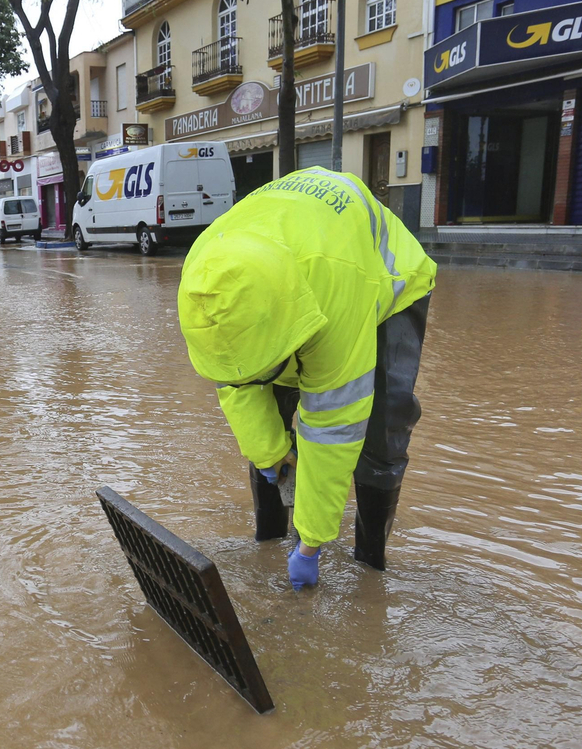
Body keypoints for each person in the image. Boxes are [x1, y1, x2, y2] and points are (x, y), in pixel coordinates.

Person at [177, 167, 437, 589]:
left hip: (382, 285)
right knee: (271, 424)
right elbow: (235, 381)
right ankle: (271, 537)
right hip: (284, 273)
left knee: (380, 430)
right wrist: (270, 454)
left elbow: (333, 429)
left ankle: (369, 566)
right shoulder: (208, 274)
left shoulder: (336, 294)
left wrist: (312, 544)